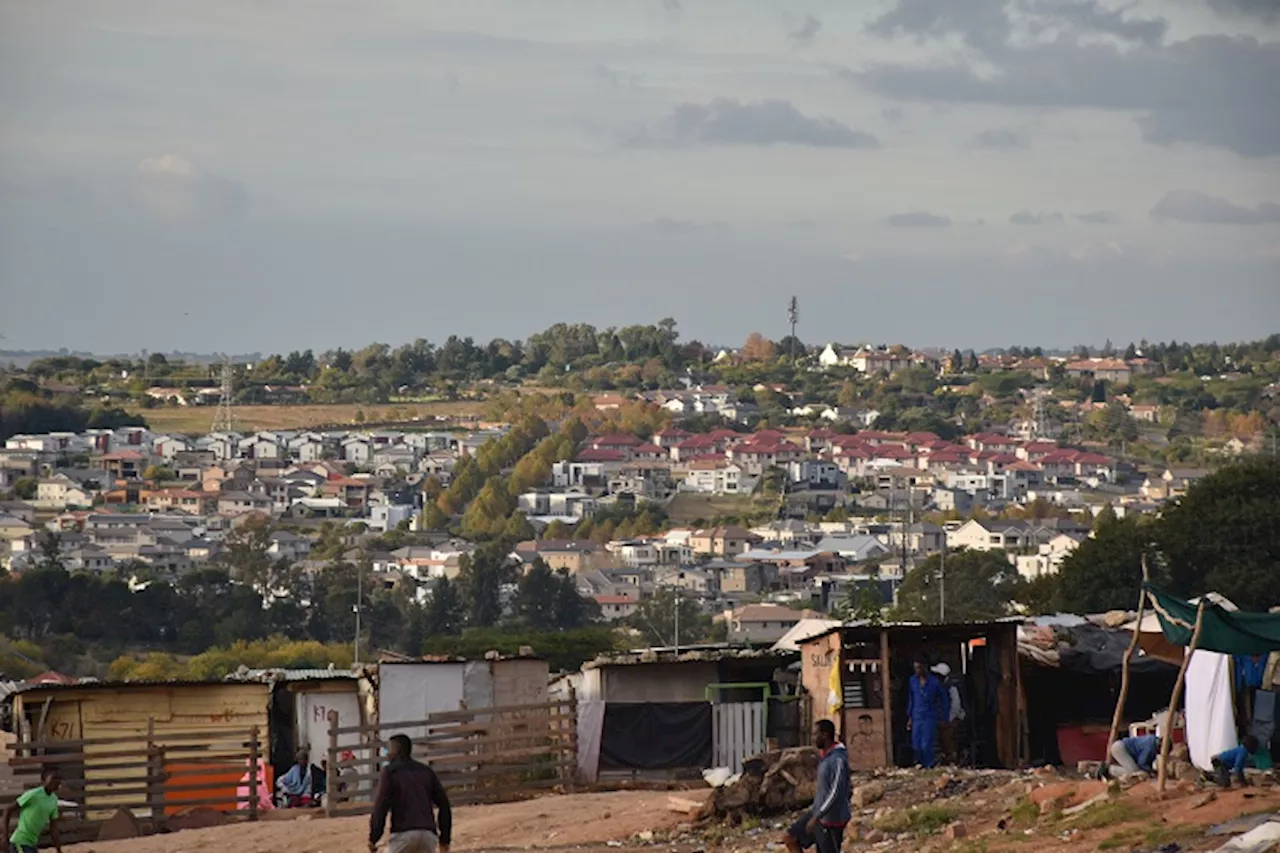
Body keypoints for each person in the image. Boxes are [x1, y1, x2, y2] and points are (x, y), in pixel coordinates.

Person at [370, 734, 452, 853]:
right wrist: (445, 839)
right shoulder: (426, 771)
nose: (387, 754)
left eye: (389, 749)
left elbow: (380, 807)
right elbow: (444, 805)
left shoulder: (390, 772)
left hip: (403, 835)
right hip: (428, 835)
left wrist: (374, 838)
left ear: (396, 750)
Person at [783, 720, 850, 853]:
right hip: (818, 814)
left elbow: (835, 792)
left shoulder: (838, 760)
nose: (813, 738)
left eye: (815, 734)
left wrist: (817, 816)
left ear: (824, 735)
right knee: (789, 837)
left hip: (831, 820)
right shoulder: (825, 757)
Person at [3, 767, 63, 853]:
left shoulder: (54, 800)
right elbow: (8, 810)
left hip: (32, 844)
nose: (57, 782)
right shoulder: (33, 794)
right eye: (53, 778)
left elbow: (53, 829)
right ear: (44, 780)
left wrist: (59, 850)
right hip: (20, 842)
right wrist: (5, 836)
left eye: (59, 779)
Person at [906, 659, 949, 768]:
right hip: (916, 715)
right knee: (916, 744)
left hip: (929, 716)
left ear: (925, 667)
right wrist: (909, 716)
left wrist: (944, 716)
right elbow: (911, 699)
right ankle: (919, 764)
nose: (916, 670)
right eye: (915, 668)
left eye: (919, 667)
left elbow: (944, 699)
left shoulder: (934, 682)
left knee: (926, 744)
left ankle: (928, 766)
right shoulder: (912, 681)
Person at [931, 663, 965, 764]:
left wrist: (948, 720)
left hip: (953, 718)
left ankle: (952, 757)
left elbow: (955, 707)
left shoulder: (951, 688)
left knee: (947, 734)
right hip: (941, 718)